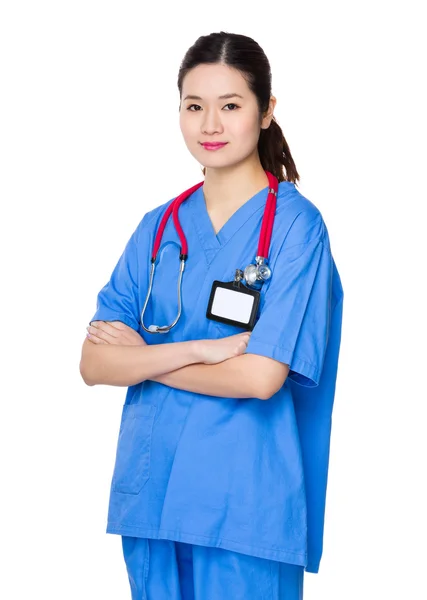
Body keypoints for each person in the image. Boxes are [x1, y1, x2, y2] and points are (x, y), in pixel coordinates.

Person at [80, 31, 344, 600]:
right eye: (194, 106)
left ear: (266, 111)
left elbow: (260, 376)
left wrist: (142, 360)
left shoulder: (296, 229)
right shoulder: (157, 229)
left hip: (244, 508)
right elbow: (94, 363)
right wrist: (195, 350)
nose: (210, 125)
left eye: (230, 106)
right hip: (152, 501)